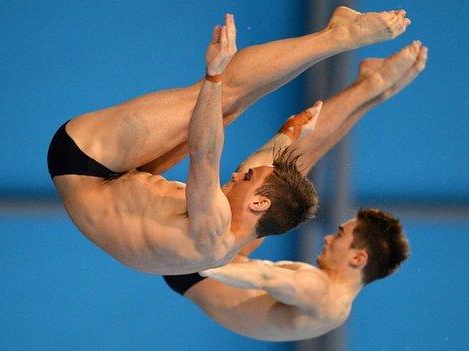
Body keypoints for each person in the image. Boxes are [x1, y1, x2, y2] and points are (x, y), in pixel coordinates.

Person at [47, 7, 411, 275]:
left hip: (85, 158)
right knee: (228, 111)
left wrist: (215, 72)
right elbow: (250, 170)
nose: (238, 176)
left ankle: (340, 36)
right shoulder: (228, 237)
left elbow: (205, 153)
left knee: (223, 96)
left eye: (247, 179)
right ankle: (343, 49)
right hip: (115, 179)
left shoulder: (212, 228)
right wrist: (287, 135)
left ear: (258, 202)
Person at [163, 40, 427, 341]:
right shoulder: (337, 306)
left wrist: (203, 258)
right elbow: (263, 274)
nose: (329, 237)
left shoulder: (321, 291)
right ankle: (371, 89)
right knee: (296, 162)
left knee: (297, 158)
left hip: (200, 265)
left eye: (340, 234)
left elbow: (265, 276)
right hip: (200, 269)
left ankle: (372, 87)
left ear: (358, 258)